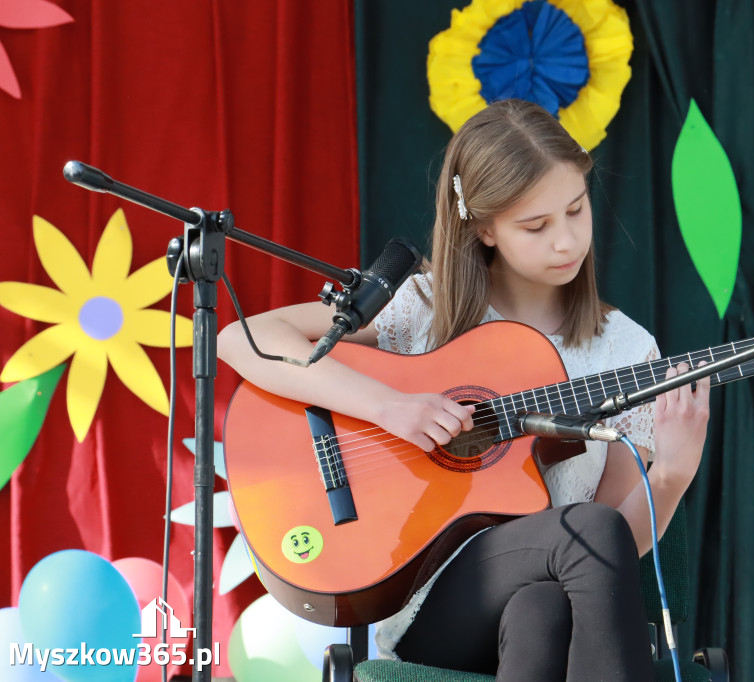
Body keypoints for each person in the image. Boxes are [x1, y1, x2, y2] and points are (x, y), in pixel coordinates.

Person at [218, 98, 711, 681]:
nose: (566, 242)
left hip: (550, 604)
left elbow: (607, 558)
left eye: (577, 210)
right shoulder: (421, 311)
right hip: (429, 603)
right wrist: (389, 407)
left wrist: (671, 476)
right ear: (484, 229)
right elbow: (243, 339)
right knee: (579, 545)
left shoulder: (627, 351)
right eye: (536, 226)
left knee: (545, 606)